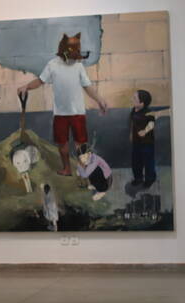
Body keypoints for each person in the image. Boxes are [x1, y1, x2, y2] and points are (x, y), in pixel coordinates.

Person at [17, 33, 108, 176]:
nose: (75, 57)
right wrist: (26, 87)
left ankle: (84, 170)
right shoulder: (53, 65)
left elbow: (87, 86)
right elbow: (40, 80)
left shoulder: (78, 66)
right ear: (64, 50)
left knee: (81, 144)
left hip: (77, 112)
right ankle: (67, 169)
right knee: (62, 143)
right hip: (60, 113)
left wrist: (100, 99)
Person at [130, 90, 156, 188]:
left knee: (148, 162)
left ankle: (150, 179)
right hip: (136, 142)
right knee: (136, 161)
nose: (132, 99)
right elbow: (133, 123)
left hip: (147, 142)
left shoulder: (149, 112)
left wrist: (145, 131)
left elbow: (151, 124)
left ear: (142, 103)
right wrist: (131, 134)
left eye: (134, 98)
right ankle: (138, 178)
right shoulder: (133, 110)